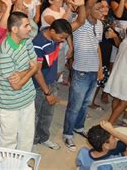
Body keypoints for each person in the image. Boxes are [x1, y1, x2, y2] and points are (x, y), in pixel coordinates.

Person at [62, 0, 116, 151]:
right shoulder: (80, 21)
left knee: (85, 104)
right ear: (90, 10)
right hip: (81, 71)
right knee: (75, 106)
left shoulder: (99, 25)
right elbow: (90, 3)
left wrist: (100, 68)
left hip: (94, 71)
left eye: (104, 9)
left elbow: (97, 48)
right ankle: (68, 134)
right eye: (99, 9)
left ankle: (78, 127)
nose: (102, 11)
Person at [32, 15, 85, 151]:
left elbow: (78, 22)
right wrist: (47, 92)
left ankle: (43, 137)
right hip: (39, 86)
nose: (62, 41)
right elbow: (37, 72)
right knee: (35, 115)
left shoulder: (53, 34)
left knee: (48, 113)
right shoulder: (38, 43)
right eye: (61, 37)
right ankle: (32, 142)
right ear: (53, 31)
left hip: (52, 81)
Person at [0, 12, 38, 152]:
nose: (30, 29)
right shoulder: (5, 52)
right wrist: (30, 71)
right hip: (10, 103)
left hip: (28, 98)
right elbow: (16, 85)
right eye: (26, 26)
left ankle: (21, 164)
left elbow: (36, 64)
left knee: (27, 136)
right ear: (14, 29)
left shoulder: (27, 41)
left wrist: (22, 73)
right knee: (8, 139)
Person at [103, 23, 127, 124]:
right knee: (125, 102)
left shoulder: (126, 41)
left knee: (116, 98)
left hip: (118, 73)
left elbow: (120, 46)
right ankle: (110, 122)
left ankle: (113, 119)